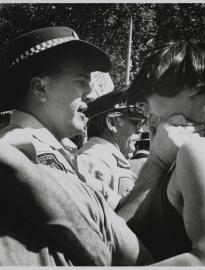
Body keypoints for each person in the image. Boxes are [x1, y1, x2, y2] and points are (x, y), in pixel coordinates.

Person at [0, 26, 152, 266]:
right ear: (40, 88)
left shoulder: (62, 151)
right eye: (81, 81)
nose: (92, 94)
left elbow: (115, 224)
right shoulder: (18, 148)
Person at [117, 40, 205, 266]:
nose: (147, 114)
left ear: (192, 85)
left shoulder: (202, 153)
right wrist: (157, 161)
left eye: (148, 97)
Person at [78, 90, 146, 208]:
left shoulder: (105, 161)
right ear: (112, 123)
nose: (140, 130)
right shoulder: (92, 162)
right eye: (136, 121)